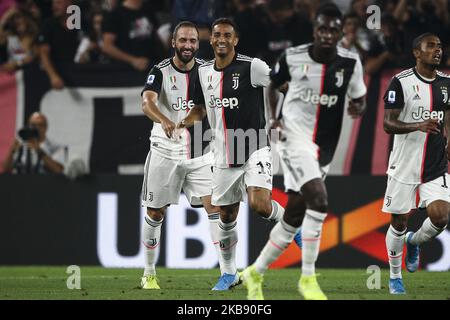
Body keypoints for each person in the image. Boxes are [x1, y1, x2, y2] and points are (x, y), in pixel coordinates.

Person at [241, 3, 367, 300]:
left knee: (295, 214)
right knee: (319, 201)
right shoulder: (292, 57)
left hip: (325, 146)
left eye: (333, 30)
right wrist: (274, 118)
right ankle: (308, 278)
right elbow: (272, 85)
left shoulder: (351, 63)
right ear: (315, 30)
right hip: (294, 138)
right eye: (322, 28)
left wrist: (357, 107)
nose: (326, 34)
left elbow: (359, 98)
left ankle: (255, 272)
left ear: (340, 33)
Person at [177, 17, 299, 291]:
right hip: (222, 154)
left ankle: (293, 224)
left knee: (259, 205)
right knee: (226, 215)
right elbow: (198, 108)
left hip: (255, 146)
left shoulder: (252, 66)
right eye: (217, 34)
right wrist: (186, 120)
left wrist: (291, 106)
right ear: (211, 39)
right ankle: (229, 273)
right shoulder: (203, 72)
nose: (221, 39)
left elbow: (283, 85)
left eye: (227, 35)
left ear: (235, 40)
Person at [140, 21, 225, 290]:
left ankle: (227, 273)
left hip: (200, 152)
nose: (188, 45)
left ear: (198, 45)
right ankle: (149, 273)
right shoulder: (160, 71)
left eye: (192, 41)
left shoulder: (206, 71)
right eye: (183, 41)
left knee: (216, 207)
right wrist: (165, 120)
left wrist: (190, 119)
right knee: (155, 212)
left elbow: (201, 108)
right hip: (165, 151)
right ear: (173, 43)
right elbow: (147, 102)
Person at [382, 33, 450, 294]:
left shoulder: (446, 83)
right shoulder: (400, 82)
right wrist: (418, 126)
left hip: (435, 164)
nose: (437, 50)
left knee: (441, 216)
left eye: (440, 46)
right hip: (404, 164)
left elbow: (448, 112)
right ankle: (395, 277)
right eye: (430, 46)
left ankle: (415, 241)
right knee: (399, 222)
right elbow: (387, 124)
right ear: (416, 53)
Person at [102, 0, 166, 71]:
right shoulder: (115, 15)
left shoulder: (148, 10)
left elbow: (155, 37)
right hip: (126, 71)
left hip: (151, 66)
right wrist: (132, 60)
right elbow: (107, 46)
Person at [39, 0, 82, 90]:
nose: (54, 7)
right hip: (56, 75)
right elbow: (43, 53)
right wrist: (53, 76)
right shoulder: (48, 25)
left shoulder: (80, 23)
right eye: (53, 3)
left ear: (69, 4)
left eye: (58, 3)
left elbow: (92, 42)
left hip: (78, 75)